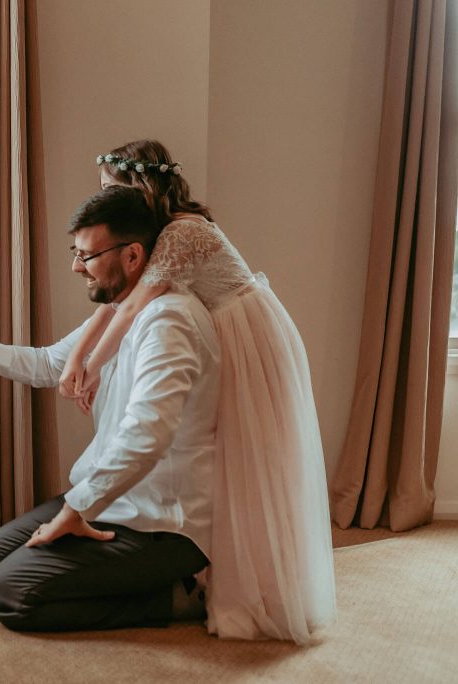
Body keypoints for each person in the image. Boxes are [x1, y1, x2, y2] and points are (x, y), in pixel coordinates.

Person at [59, 139, 335, 643]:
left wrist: (93, 366)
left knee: (247, 464)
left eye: (110, 188)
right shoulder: (156, 234)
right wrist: (78, 355)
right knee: (221, 462)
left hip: (245, 334)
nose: (104, 198)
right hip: (224, 328)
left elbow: (132, 304)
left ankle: (254, 589)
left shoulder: (183, 230)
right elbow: (116, 301)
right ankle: (204, 578)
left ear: (140, 185)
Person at [0, 184, 221, 632]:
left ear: (132, 256)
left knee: (10, 596)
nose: (76, 266)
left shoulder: (170, 322)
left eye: (87, 255)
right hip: (110, 500)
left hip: (159, 522)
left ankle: (176, 596)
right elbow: (50, 364)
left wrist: (75, 510)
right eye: (76, 252)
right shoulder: (119, 312)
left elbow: (147, 434)